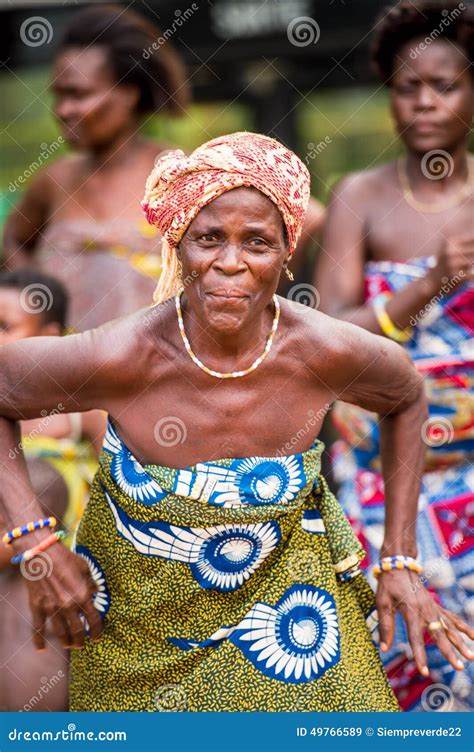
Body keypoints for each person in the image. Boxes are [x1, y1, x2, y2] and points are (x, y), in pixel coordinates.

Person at [1, 132, 472, 713]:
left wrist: (399, 559)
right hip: (139, 630)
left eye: (257, 243)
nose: (230, 263)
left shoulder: (320, 350)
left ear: (286, 254)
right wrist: (36, 541)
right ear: (178, 247)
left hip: (298, 617)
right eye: (208, 239)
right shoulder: (121, 356)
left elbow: (404, 396)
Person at [315, 0, 473, 710]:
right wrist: (431, 282)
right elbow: (329, 336)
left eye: (444, 85)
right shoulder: (359, 198)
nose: (425, 102)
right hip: (383, 474)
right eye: (408, 88)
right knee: (398, 650)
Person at [2, 4, 190, 332]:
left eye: (78, 94)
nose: (62, 110)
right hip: (64, 377)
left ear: (129, 94)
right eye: (58, 96)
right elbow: (15, 240)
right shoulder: (55, 179)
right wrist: (37, 308)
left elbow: (307, 221)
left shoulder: (179, 175)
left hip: (157, 375)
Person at [0, 269, 105, 710]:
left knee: (27, 616)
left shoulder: (78, 406)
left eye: (4, 328)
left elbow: (115, 477)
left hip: (47, 556)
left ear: (50, 337)